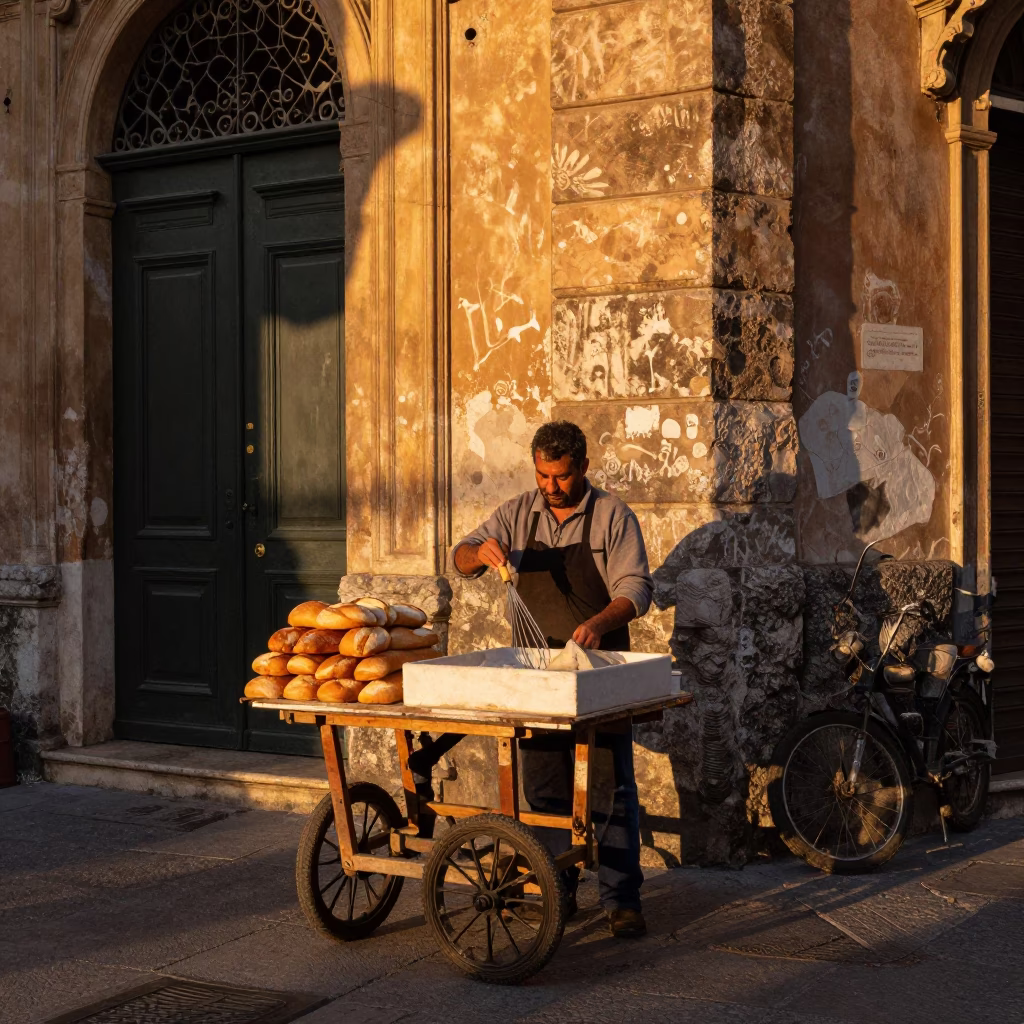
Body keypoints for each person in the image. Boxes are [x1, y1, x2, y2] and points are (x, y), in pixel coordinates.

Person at [451, 419, 654, 938]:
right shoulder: (517, 512)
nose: (551, 487)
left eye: (561, 477)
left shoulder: (613, 516)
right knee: (543, 785)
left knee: (610, 787)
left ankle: (621, 899)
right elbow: (459, 558)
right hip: (535, 672)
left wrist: (598, 624)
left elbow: (636, 589)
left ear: (583, 467)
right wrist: (479, 554)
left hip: (597, 669)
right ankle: (555, 887)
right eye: (543, 476)